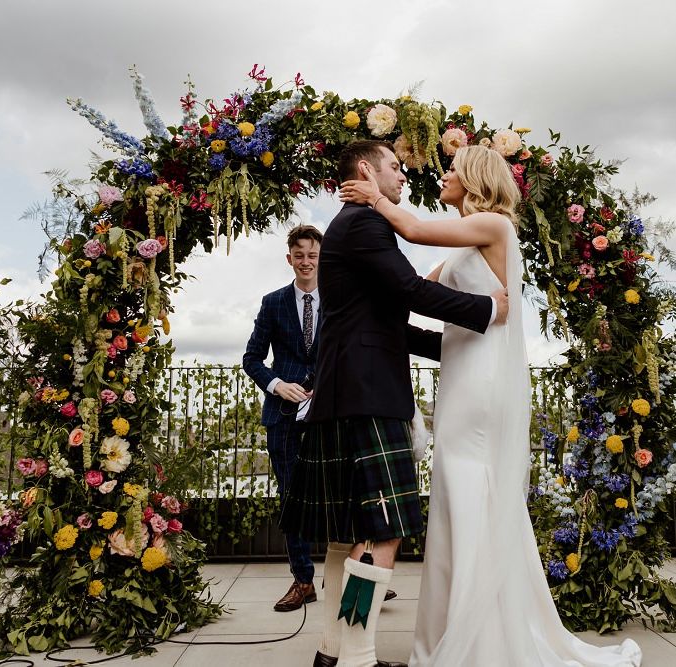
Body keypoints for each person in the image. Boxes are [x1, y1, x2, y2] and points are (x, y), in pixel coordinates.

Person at [339, 144, 642, 667]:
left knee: (469, 487)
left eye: (452, 169)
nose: (443, 174)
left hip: (479, 387)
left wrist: (376, 199)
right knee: (459, 497)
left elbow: (411, 230)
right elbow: (412, 292)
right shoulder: (461, 247)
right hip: (459, 378)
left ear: (475, 178)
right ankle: (455, 629)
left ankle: (477, 640)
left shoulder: (494, 227)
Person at [280, 140, 509, 667]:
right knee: (384, 531)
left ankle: (333, 651)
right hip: (367, 394)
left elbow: (387, 323)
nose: (403, 176)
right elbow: (410, 291)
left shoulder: (350, 227)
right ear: (366, 170)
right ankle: (358, 658)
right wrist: (486, 310)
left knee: (347, 538)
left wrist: (454, 347)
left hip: (347, 391)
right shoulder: (365, 225)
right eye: (396, 167)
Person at [243, 224, 323, 612]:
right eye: (299, 254)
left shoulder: (339, 301)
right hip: (283, 415)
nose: (306, 261)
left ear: (320, 257)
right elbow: (251, 358)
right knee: (292, 498)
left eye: (313, 254)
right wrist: (277, 385)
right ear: (289, 258)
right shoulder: (272, 302)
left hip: (330, 413)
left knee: (343, 494)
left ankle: (355, 572)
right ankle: (303, 580)